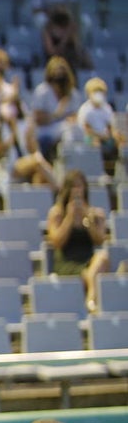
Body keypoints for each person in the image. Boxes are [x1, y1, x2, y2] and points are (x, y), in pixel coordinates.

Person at [46, 170, 111, 312]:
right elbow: (56, 242)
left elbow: (99, 240)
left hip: (88, 260)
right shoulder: (57, 213)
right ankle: (92, 301)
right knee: (91, 274)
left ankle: (91, 298)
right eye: (74, 186)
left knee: (102, 259)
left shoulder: (94, 214)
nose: (77, 191)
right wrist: (70, 217)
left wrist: (88, 219)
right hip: (66, 262)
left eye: (80, 186)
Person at [29, 56, 82, 161]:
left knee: (75, 130)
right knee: (68, 131)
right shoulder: (42, 91)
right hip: (45, 130)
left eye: (62, 71)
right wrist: (57, 114)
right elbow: (39, 119)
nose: (59, 75)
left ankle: (76, 161)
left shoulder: (73, 93)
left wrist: (71, 119)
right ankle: (67, 161)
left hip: (65, 127)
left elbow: (74, 116)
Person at [77, 77, 124, 177]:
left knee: (119, 141)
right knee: (96, 143)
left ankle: (117, 173)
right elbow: (86, 129)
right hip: (90, 137)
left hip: (106, 137)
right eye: (95, 91)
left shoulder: (107, 108)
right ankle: (100, 172)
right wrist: (100, 136)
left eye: (100, 91)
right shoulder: (85, 109)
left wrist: (114, 136)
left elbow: (110, 126)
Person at [40, 5, 90, 72]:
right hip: (54, 66)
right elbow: (52, 53)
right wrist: (64, 39)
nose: (62, 30)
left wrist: (72, 36)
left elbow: (78, 52)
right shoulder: (47, 32)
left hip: (72, 66)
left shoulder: (71, 32)